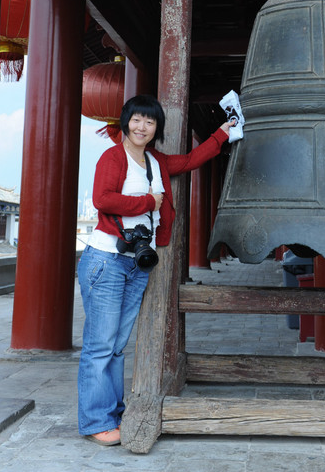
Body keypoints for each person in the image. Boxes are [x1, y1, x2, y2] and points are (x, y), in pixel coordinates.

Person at [77, 94, 232, 446]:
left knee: (116, 346)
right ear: (125, 121)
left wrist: (223, 133)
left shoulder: (154, 161)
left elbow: (192, 159)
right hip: (106, 260)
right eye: (136, 119)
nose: (142, 126)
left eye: (150, 122)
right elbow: (103, 199)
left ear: (156, 128)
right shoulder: (113, 157)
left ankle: (112, 413)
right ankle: (95, 421)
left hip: (136, 262)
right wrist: (148, 202)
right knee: (100, 345)